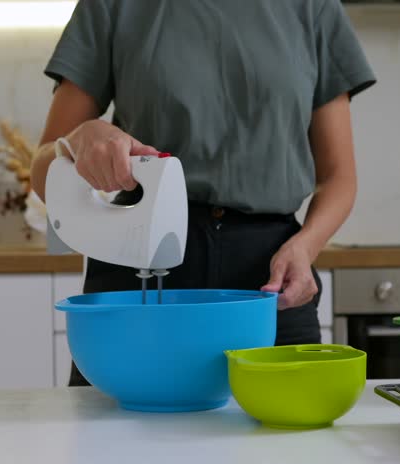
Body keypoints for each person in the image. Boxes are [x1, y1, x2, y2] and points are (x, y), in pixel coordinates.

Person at [30, 0, 376, 387]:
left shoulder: (313, 8)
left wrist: (306, 247)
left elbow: (339, 178)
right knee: (109, 440)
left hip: (271, 278)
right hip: (138, 266)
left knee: (280, 444)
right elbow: (43, 168)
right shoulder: (113, 6)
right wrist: (77, 141)